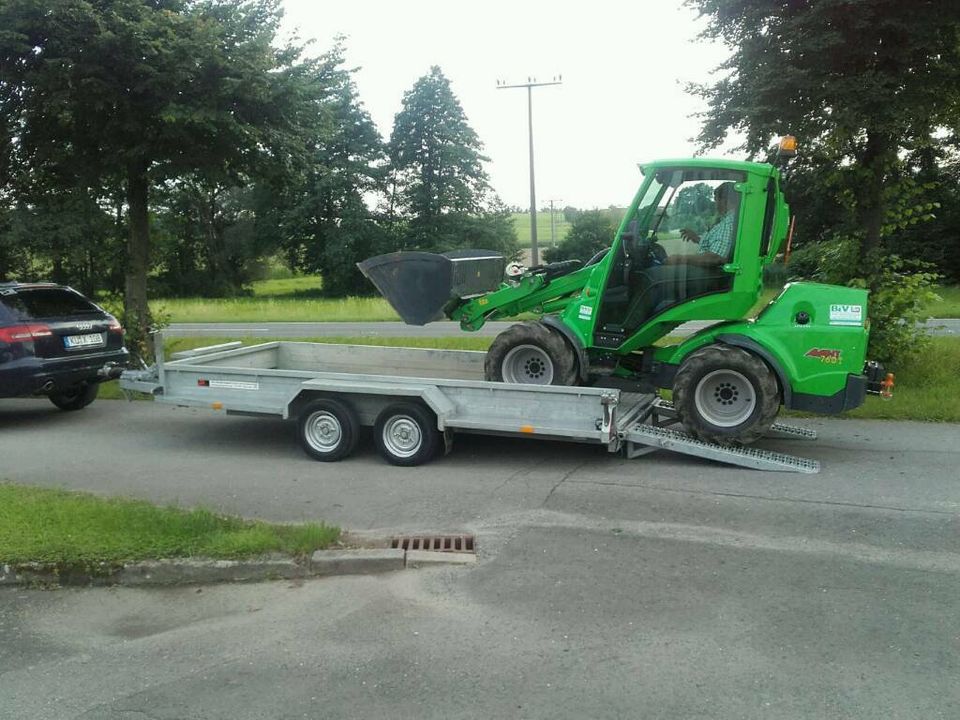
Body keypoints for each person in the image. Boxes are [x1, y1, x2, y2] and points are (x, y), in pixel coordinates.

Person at [666, 182, 738, 266]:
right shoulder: (728, 220)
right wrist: (697, 239)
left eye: (716, 200)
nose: (715, 204)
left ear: (725, 200)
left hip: (711, 273)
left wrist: (680, 259)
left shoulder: (728, 223)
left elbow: (716, 258)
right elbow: (718, 245)